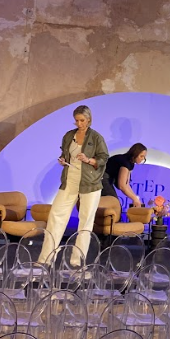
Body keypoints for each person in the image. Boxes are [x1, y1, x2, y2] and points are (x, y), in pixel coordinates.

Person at [37, 105, 108, 265]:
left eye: (82, 120)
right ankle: (45, 260)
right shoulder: (69, 135)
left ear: (89, 120)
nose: (79, 123)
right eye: (76, 120)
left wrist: (89, 160)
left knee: (86, 221)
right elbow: (65, 154)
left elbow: (103, 158)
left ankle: (77, 262)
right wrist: (63, 160)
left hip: (90, 182)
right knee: (56, 216)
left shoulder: (96, 137)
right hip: (70, 179)